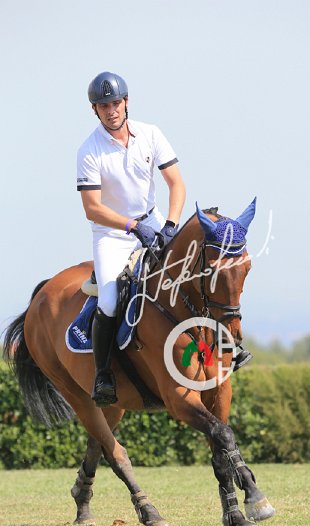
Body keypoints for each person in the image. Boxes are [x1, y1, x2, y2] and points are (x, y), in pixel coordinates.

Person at [77, 71, 251, 407]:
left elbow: (176, 184)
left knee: (197, 273)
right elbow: (92, 208)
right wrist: (132, 226)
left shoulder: (150, 134)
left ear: (126, 102)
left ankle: (228, 345)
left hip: (154, 221)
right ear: (94, 110)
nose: (111, 110)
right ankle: (103, 375)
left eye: (115, 103)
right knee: (109, 300)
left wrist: (170, 223)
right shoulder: (89, 151)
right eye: (104, 106)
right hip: (112, 235)